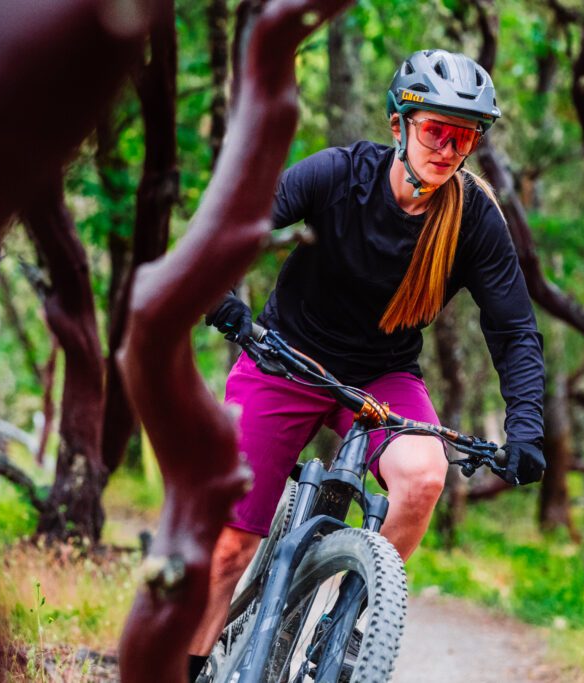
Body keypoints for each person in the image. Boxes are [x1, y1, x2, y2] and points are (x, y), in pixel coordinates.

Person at [188, 49, 545, 681]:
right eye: (436, 129)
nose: (448, 147)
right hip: (283, 359)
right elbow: (240, 223)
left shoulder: (473, 220)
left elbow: (513, 329)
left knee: (425, 476)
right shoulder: (337, 175)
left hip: (381, 381)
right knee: (229, 550)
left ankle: (347, 625)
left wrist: (526, 428)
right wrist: (220, 294)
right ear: (399, 125)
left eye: (463, 137)